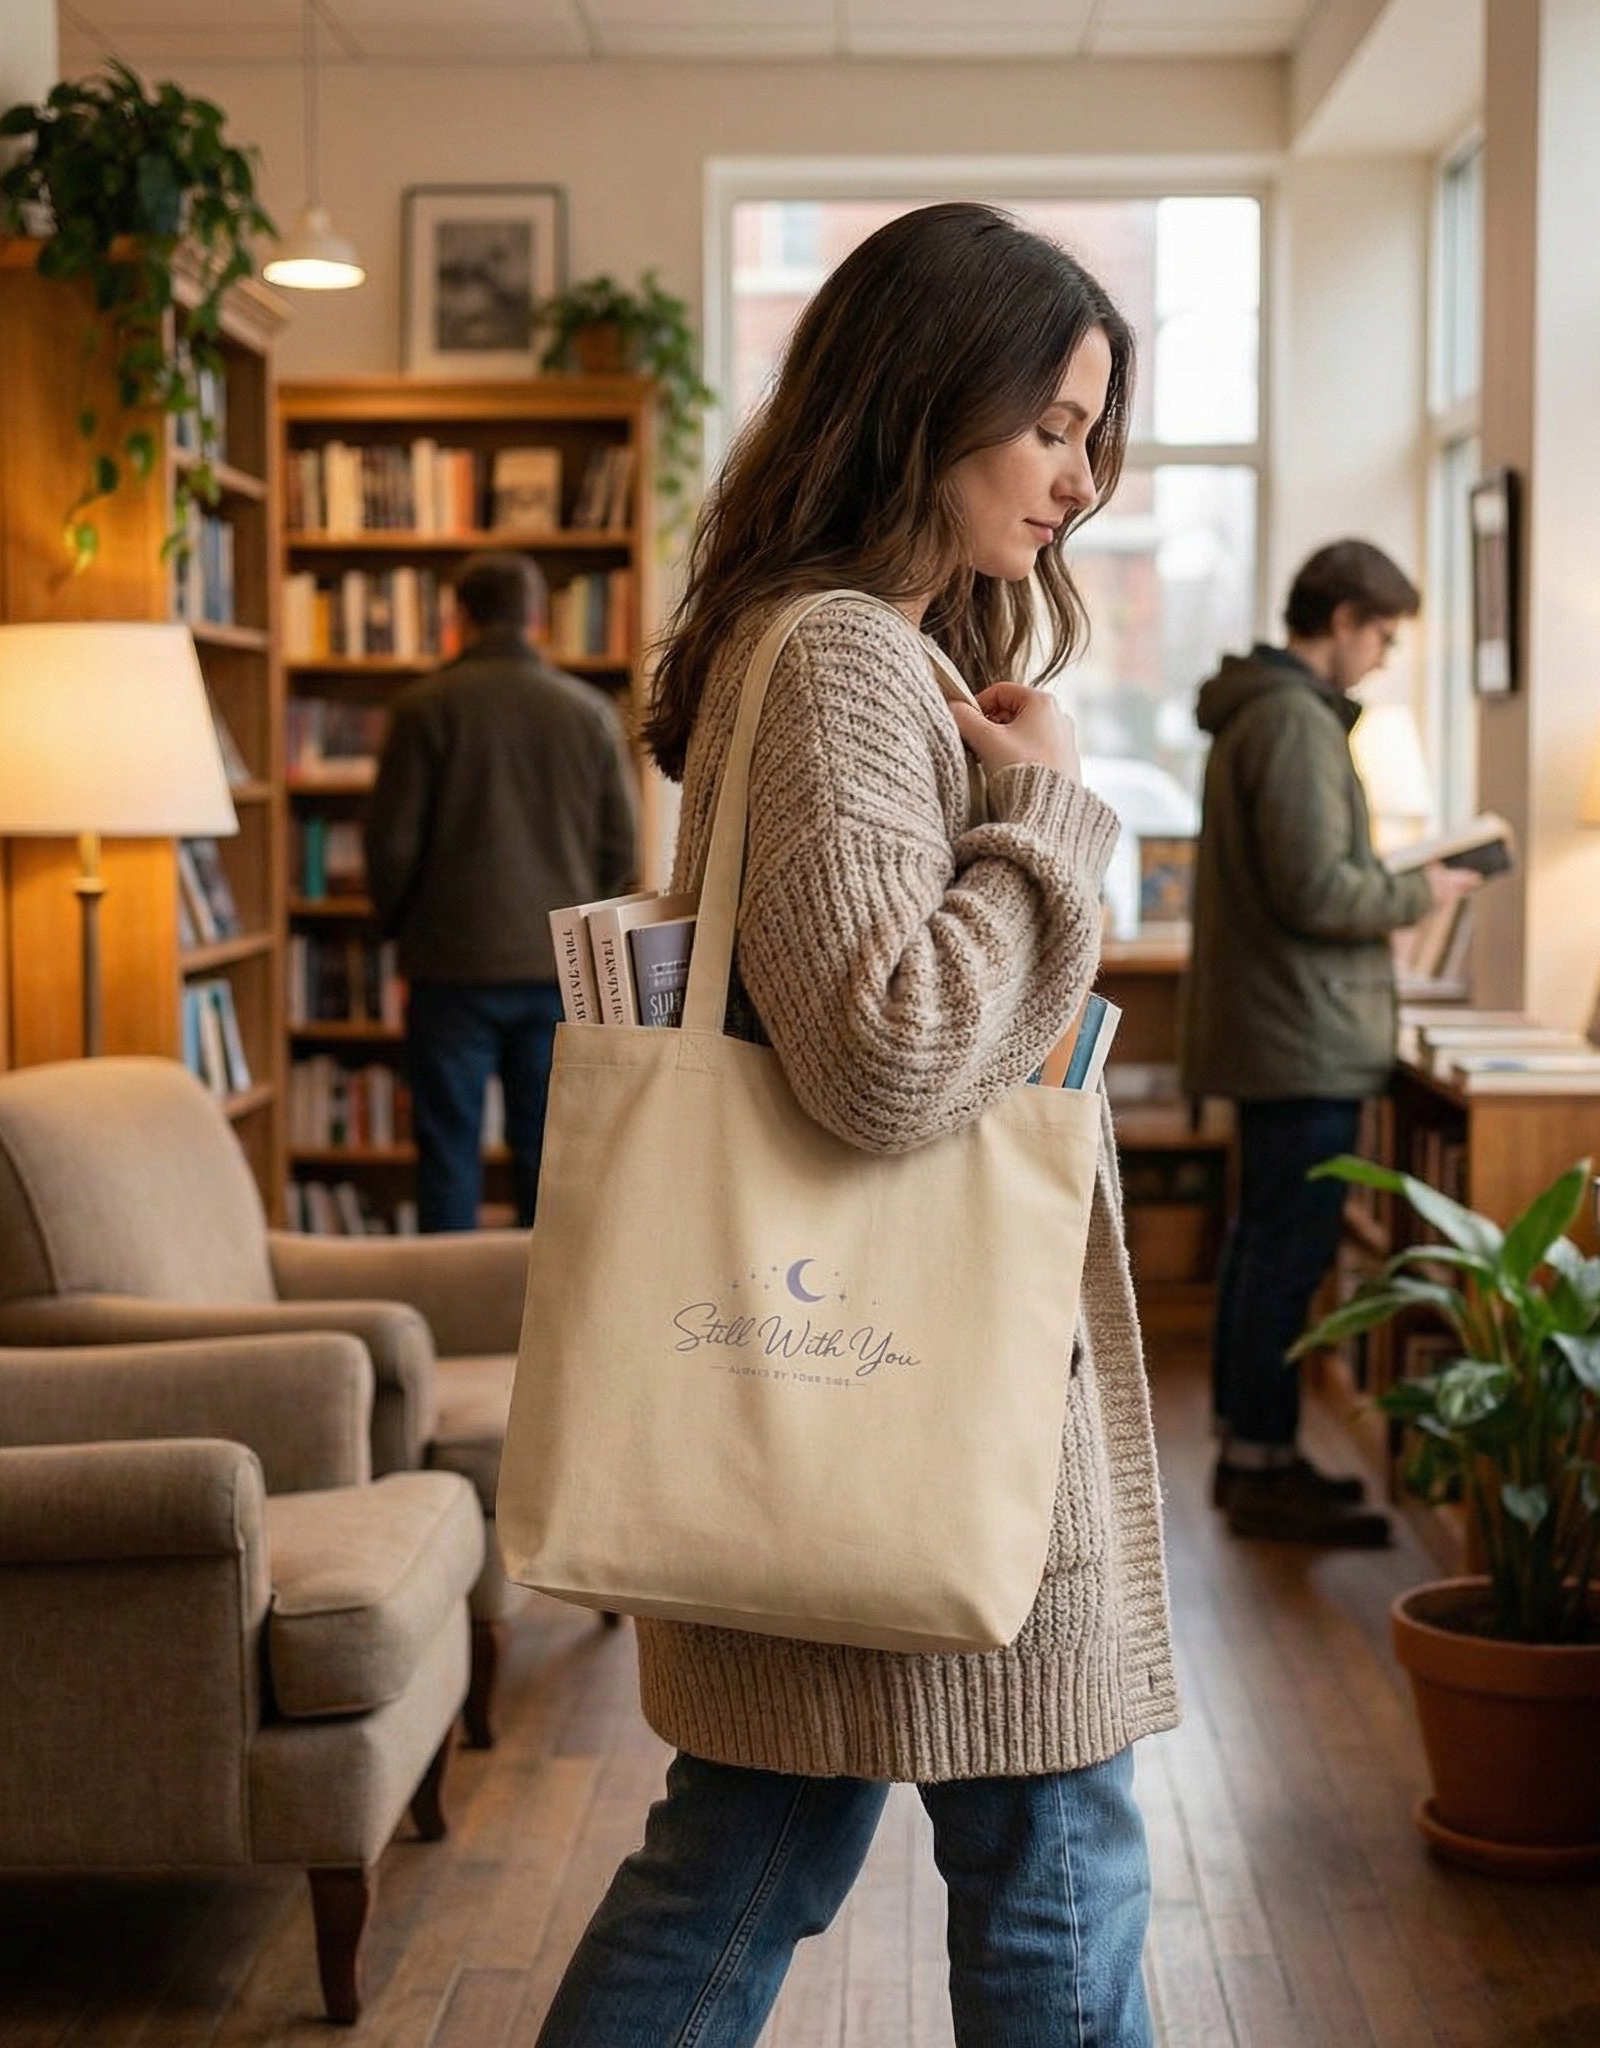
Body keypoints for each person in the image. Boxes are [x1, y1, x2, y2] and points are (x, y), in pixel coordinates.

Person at [533, 203, 1180, 2048]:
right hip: (913, 1379)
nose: (1078, 478)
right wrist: (1051, 819)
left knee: (739, 1863)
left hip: (824, 1377)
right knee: (1055, 1860)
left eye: (1091, 432)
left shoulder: (844, 648)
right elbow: (890, 1050)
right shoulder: (836, 658)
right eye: (1052, 423)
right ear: (929, 395)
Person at [1180, 540, 1482, 1547]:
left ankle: (1250, 1453)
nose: (1382, 657)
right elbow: (1316, 890)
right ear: (1344, 618)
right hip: (1300, 1031)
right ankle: (1261, 1466)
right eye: (1382, 635)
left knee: (1263, 1244)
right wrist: (1420, 889)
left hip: (1278, 1024)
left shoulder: (1257, 714)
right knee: (1282, 1253)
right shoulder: (1293, 724)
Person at [366, 549, 638, 1230]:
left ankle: (453, 1317)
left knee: (448, 1150)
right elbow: (621, 851)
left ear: (459, 616)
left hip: (450, 965)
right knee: (549, 1155)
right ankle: (541, 1320)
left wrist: (402, 927)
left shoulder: (423, 709)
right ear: (538, 618)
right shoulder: (588, 712)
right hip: (557, 965)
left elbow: (391, 846)